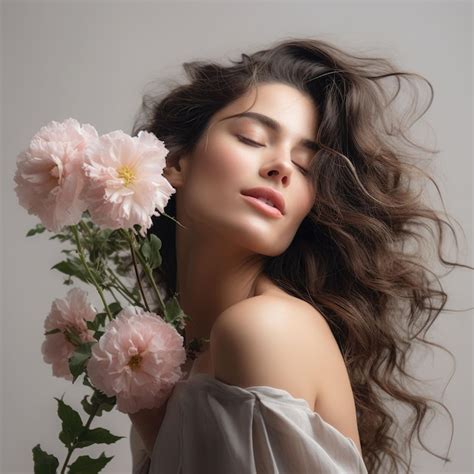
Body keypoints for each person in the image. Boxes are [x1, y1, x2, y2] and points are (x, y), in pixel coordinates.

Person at [126, 37, 469, 473]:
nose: (281, 167)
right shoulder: (176, 356)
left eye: (306, 166)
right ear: (174, 161)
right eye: (253, 138)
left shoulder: (264, 328)